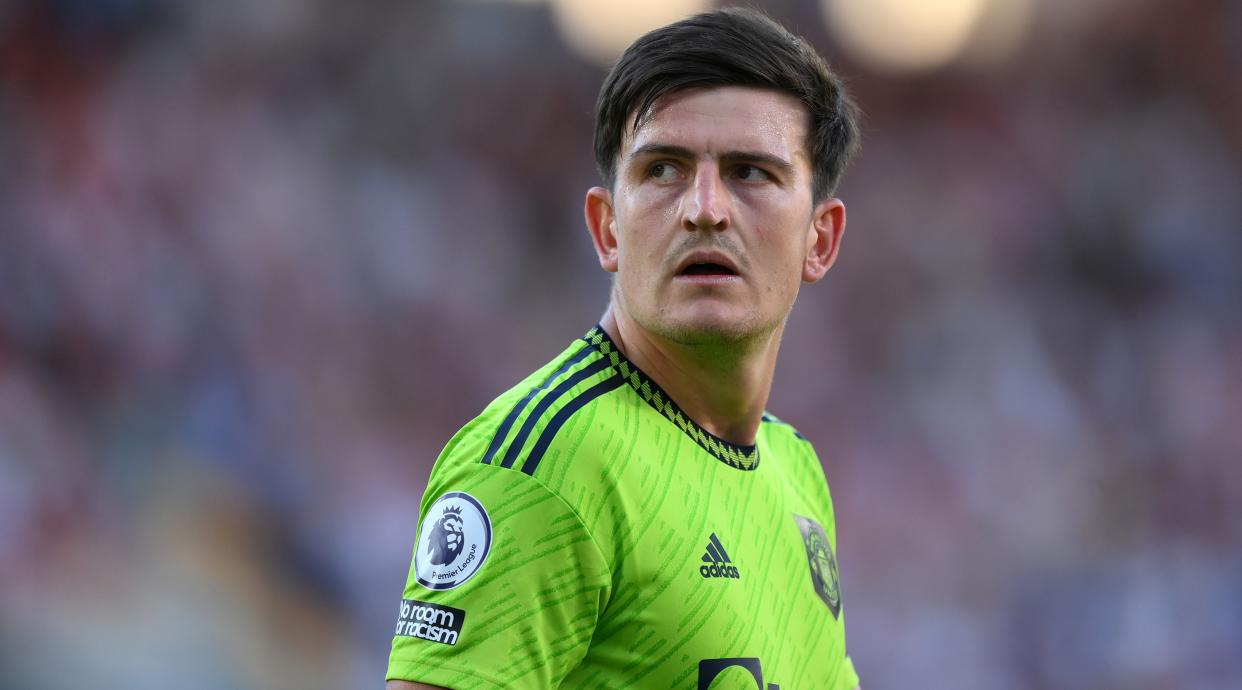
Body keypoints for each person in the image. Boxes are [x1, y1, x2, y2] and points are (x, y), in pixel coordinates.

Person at [387, 8, 861, 689]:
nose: (705, 208)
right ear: (607, 230)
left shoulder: (796, 472)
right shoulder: (548, 465)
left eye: (751, 172)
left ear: (820, 239)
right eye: (664, 169)